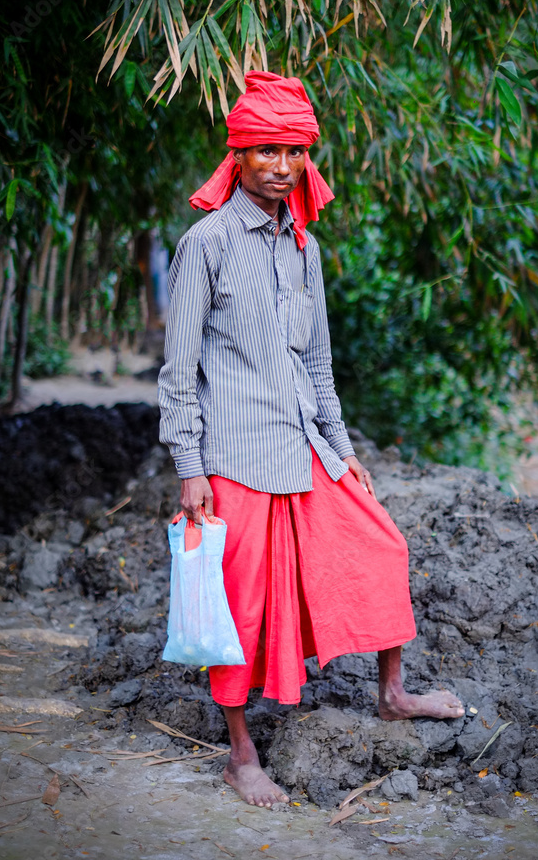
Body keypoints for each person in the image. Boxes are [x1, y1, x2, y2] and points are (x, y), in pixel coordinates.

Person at [158, 71, 464, 809]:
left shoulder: (304, 248)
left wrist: (344, 446)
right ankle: (240, 754)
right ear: (237, 156)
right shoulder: (205, 243)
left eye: (293, 150)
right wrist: (189, 467)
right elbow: (177, 371)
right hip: (236, 458)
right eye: (265, 150)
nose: (281, 165)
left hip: (307, 446)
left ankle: (392, 693)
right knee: (244, 606)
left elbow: (317, 360)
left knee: (381, 547)